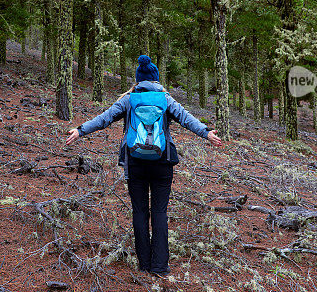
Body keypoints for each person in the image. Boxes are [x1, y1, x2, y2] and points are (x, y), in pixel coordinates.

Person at [65, 55, 223, 276]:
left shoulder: (129, 99)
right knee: (159, 211)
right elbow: (186, 119)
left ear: (138, 80)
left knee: (139, 211)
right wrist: (206, 133)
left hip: (135, 163)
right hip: (163, 163)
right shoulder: (165, 99)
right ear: (156, 79)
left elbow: (104, 118)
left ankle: (144, 264)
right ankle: (160, 266)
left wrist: (80, 130)